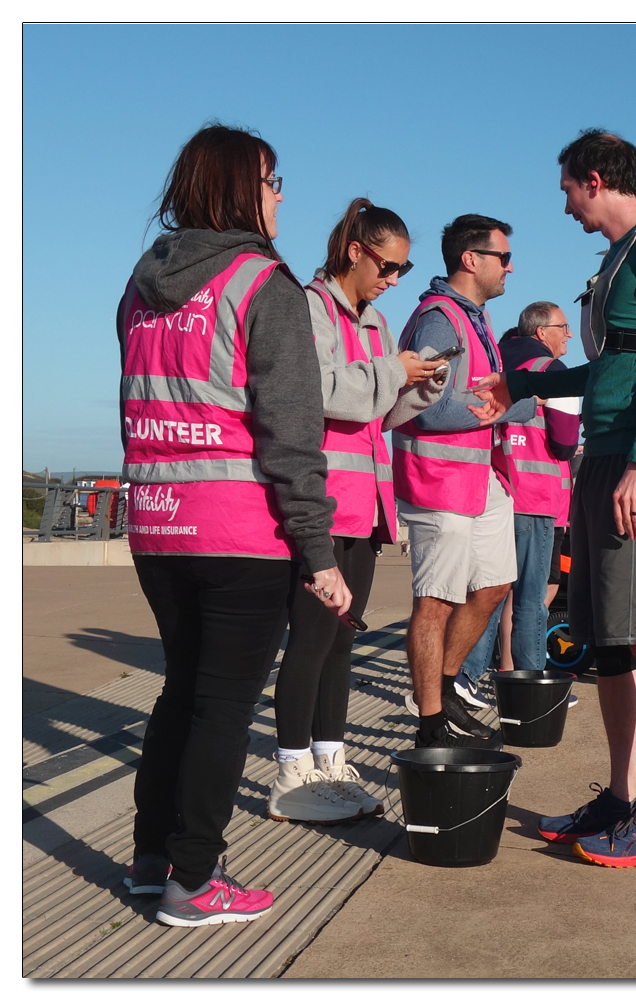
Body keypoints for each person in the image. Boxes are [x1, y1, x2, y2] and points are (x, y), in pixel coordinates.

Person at [118, 124, 350, 926]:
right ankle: (194, 877)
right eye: (272, 180)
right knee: (223, 707)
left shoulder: (141, 287)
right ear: (234, 188)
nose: (281, 194)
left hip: (155, 521)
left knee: (181, 694)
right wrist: (319, 552)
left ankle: (154, 861)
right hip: (239, 532)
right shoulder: (263, 285)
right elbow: (292, 432)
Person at [472, 129, 636, 867]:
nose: (564, 203)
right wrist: (526, 383)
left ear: (593, 179)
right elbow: (608, 372)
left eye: (567, 187)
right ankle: (622, 797)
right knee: (608, 646)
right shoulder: (613, 263)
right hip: (600, 460)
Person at [267, 199, 443, 824]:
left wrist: (417, 390)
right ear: (355, 252)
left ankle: (330, 758)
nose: (395, 279)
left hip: (366, 505)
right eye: (390, 265)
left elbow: (374, 409)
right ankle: (290, 771)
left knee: (342, 641)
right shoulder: (309, 307)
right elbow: (322, 393)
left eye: (404, 267)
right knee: (310, 641)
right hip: (322, 504)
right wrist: (392, 369)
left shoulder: (377, 323)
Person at [393, 215, 537, 749]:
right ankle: (430, 723)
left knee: (497, 584)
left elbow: (486, 398)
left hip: (477, 478)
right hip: (439, 481)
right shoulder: (439, 321)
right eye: (503, 257)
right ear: (471, 260)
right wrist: (507, 406)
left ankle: (446, 686)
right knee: (435, 603)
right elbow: (426, 410)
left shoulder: (474, 319)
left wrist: (503, 403)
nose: (510, 267)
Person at [453, 301, 580, 707]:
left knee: (491, 590)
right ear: (541, 332)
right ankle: (530, 686)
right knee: (530, 598)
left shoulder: (495, 362)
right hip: (536, 498)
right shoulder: (552, 373)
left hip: (493, 489)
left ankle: (466, 677)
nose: (570, 335)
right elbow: (564, 441)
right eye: (564, 327)